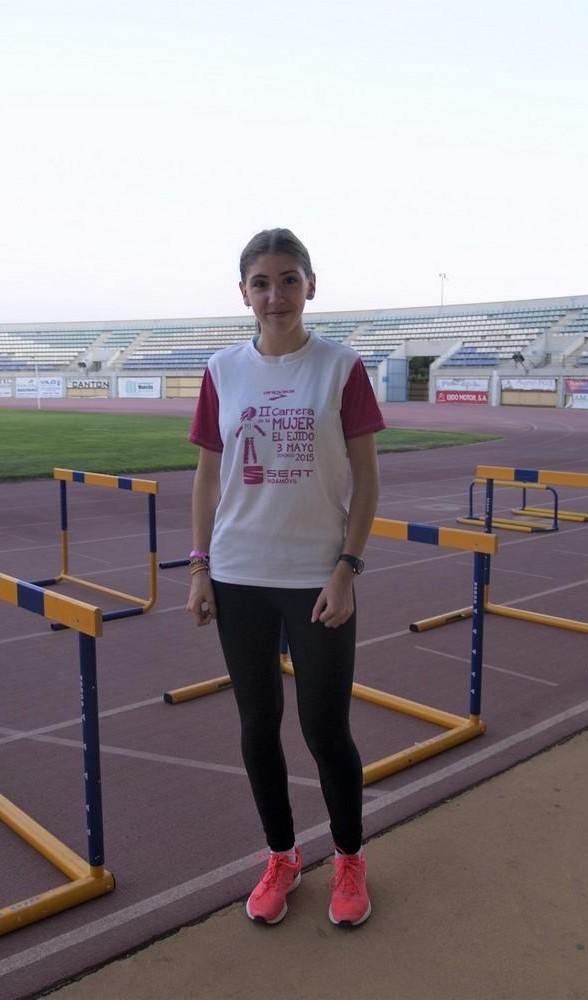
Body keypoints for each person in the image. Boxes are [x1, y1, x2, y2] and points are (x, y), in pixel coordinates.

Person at [186, 228, 385, 928]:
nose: (276, 295)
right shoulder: (222, 370)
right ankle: (281, 856)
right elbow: (206, 477)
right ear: (244, 293)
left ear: (310, 286)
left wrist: (347, 567)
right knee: (257, 725)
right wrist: (200, 566)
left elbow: (367, 480)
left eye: (289, 280)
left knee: (325, 728)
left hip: (316, 577)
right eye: (262, 283)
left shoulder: (340, 367)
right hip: (238, 573)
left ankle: (349, 858)